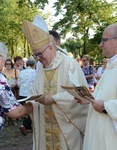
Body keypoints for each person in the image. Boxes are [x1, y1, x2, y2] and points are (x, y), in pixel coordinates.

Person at [22, 15, 88, 150]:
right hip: (44, 127)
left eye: (40, 54)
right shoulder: (41, 68)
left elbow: (82, 95)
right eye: (36, 55)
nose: (38, 59)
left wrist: (55, 99)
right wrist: (29, 104)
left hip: (66, 128)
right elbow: (34, 93)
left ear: (51, 48)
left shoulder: (69, 64)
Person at [78, 24, 117, 150]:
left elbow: (107, 101)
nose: (100, 45)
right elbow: (106, 93)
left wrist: (105, 107)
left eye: (104, 40)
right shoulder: (112, 66)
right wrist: (89, 99)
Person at [18, 58, 37, 135]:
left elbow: (18, 84)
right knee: (31, 110)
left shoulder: (21, 72)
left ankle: (26, 126)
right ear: (34, 65)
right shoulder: (35, 72)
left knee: (25, 110)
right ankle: (27, 126)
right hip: (30, 94)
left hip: (22, 93)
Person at [2, 58, 19, 126]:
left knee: (14, 104)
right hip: (6, 90)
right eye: (6, 64)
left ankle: (14, 119)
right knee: (6, 104)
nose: (8, 65)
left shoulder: (15, 71)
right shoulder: (2, 72)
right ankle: (7, 120)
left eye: (9, 64)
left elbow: (18, 79)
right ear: (5, 65)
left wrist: (15, 84)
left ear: (11, 64)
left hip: (14, 90)